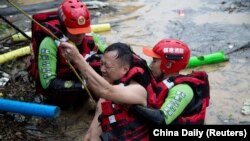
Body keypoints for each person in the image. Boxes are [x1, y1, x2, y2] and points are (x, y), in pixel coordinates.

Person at [60, 42, 155, 140]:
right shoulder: (109, 88)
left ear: (125, 69)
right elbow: (93, 129)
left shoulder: (138, 90)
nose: (102, 69)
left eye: (107, 66)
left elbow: (105, 90)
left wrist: (77, 58)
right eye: (101, 64)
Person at [29, 0, 102, 107]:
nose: (81, 36)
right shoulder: (48, 44)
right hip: (60, 93)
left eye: (83, 31)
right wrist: (84, 87)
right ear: (64, 27)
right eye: (75, 32)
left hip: (83, 83)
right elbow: (47, 84)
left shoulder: (91, 37)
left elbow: (112, 55)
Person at [133, 38, 210, 125]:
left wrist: (131, 106)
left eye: (154, 61)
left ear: (168, 65)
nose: (151, 65)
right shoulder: (159, 79)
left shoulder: (183, 90)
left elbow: (160, 120)